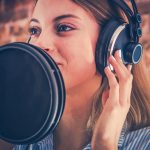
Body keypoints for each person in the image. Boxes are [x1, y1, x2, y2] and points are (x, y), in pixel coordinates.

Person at [10, 0, 149, 149]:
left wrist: (104, 143)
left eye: (64, 27)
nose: (40, 44)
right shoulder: (21, 139)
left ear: (114, 42)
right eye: (34, 30)